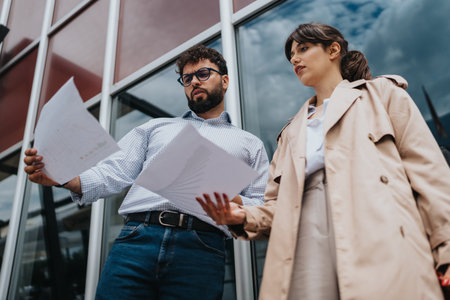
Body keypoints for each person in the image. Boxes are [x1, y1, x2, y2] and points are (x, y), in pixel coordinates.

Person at [196, 23, 450, 300]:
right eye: (291, 55)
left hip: (381, 232)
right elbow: (277, 207)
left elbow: (431, 176)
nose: (294, 59)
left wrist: (447, 249)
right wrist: (242, 216)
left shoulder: (382, 95)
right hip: (305, 242)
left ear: (333, 50)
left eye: (303, 49)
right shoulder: (291, 132)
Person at [24, 45, 269, 300]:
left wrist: (233, 200)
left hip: (202, 247)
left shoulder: (250, 144)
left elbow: (261, 205)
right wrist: (66, 178)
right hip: (138, 239)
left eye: (203, 74)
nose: (194, 81)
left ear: (225, 80)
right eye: (187, 78)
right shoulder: (156, 127)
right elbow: (114, 171)